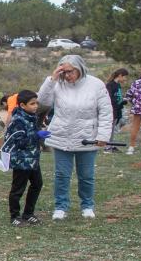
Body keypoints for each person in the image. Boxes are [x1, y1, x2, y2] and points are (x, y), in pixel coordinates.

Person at [35, 54, 113, 220]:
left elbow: (106, 112)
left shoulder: (96, 85)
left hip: (87, 137)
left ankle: (87, 205)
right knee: (62, 174)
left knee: (86, 175)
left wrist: (103, 135)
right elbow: (42, 102)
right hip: (62, 136)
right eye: (64, 72)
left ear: (80, 69)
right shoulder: (57, 83)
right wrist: (52, 80)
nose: (67, 75)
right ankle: (60, 206)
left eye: (70, 71)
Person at [2, 91, 48, 226]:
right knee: (18, 189)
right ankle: (14, 216)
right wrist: (37, 135)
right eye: (32, 104)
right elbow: (19, 142)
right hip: (21, 160)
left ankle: (28, 214)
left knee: (37, 184)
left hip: (32, 159)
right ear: (22, 105)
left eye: (36, 103)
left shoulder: (31, 117)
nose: (35, 106)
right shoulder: (17, 121)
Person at [105, 69, 129, 141]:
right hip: (111, 110)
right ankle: (108, 147)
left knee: (113, 128)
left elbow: (118, 97)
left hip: (117, 110)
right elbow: (109, 98)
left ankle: (111, 145)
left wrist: (123, 101)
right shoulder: (110, 85)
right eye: (125, 76)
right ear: (120, 75)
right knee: (110, 129)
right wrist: (120, 101)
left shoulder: (118, 85)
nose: (125, 79)